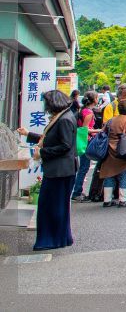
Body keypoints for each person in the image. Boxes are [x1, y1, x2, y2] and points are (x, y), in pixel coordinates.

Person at [17, 89, 77, 250]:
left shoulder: (63, 119)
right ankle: (60, 238)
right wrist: (29, 134)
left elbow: (65, 145)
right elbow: (50, 139)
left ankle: (51, 239)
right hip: (61, 169)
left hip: (60, 170)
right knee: (57, 206)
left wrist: (42, 152)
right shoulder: (64, 117)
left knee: (50, 206)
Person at [97, 98, 126, 207]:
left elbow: (103, 133)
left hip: (109, 151)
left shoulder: (111, 121)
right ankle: (122, 200)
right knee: (125, 174)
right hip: (125, 150)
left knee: (109, 175)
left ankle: (107, 200)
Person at [71, 91, 102, 201]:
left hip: (82, 141)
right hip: (86, 141)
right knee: (84, 167)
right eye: (97, 97)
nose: (98, 99)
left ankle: (78, 191)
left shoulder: (83, 110)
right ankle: (77, 192)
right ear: (94, 99)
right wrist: (99, 130)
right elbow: (85, 129)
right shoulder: (89, 112)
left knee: (83, 166)